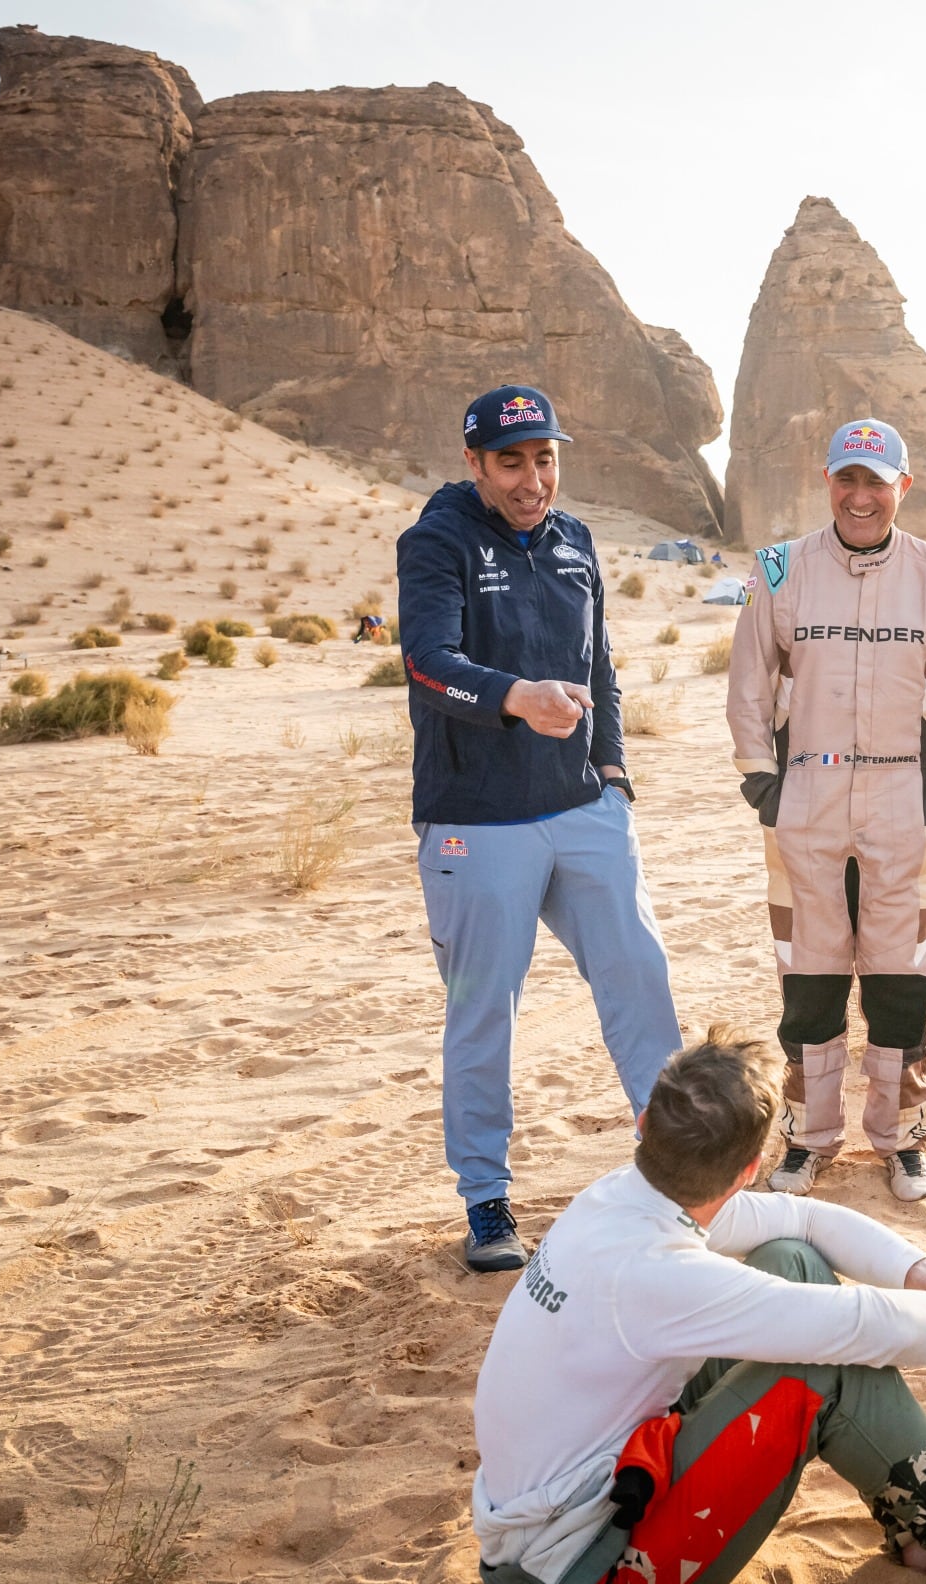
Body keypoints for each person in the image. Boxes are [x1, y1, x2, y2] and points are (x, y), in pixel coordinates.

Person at [469, 1031, 926, 1584]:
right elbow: (863, 1330)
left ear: (645, 1128)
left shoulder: (617, 1199)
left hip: (567, 1523)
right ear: (750, 1168)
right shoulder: (656, 1274)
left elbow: (801, 1220)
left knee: (789, 1258)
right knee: (826, 1370)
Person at [398, 384, 680, 1272]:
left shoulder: (575, 540)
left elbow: (600, 665)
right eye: (512, 462)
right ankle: (486, 1202)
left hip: (583, 810)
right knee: (485, 1012)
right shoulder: (437, 539)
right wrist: (514, 699)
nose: (532, 480)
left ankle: (680, 1173)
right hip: (477, 824)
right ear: (475, 463)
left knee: (640, 981)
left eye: (546, 458)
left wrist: (614, 771)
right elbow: (426, 662)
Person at [726, 419, 926, 1203]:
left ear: (902, 487)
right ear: (827, 481)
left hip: (901, 806)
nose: (861, 495)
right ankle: (808, 1141)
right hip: (803, 803)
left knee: (899, 981)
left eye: (877, 481)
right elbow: (748, 682)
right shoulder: (779, 569)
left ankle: (902, 1139)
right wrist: (760, 780)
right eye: (848, 479)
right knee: (807, 984)